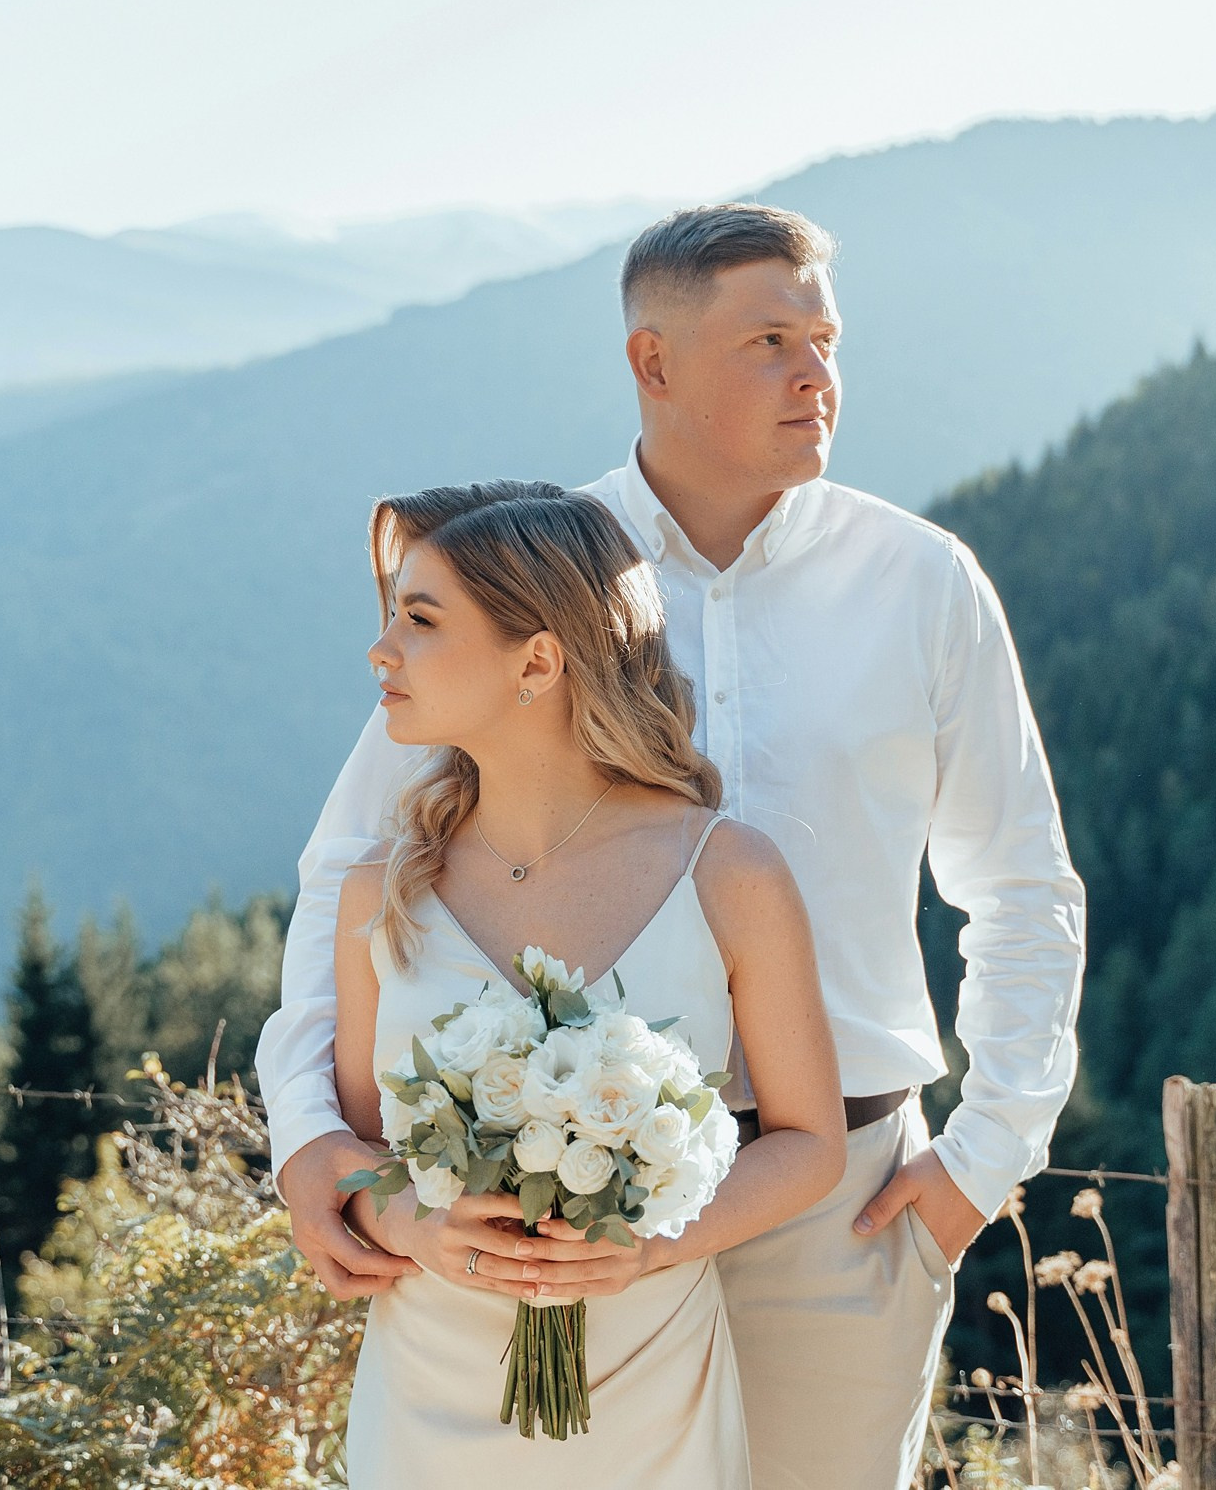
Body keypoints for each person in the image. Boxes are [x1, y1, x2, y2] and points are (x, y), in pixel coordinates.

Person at [260, 203, 1088, 1487]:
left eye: (826, 338)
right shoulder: (530, 570)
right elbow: (348, 874)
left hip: (841, 1203)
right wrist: (309, 1131)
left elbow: (1022, 887)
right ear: (653, 362)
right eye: (770, 340)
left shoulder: (922, 583)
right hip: (541, 1221)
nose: (816, 374)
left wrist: (981, 1161)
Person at [333, 480, 845, 1486]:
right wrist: (412, 1227)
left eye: (419, 620)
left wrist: (650, 1247)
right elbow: (354, 1154)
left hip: (647, 1387)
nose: (380, 650)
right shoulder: (381, 892)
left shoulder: (727, 872)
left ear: (536, 661)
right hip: (425, 1391)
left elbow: (809, 1144)